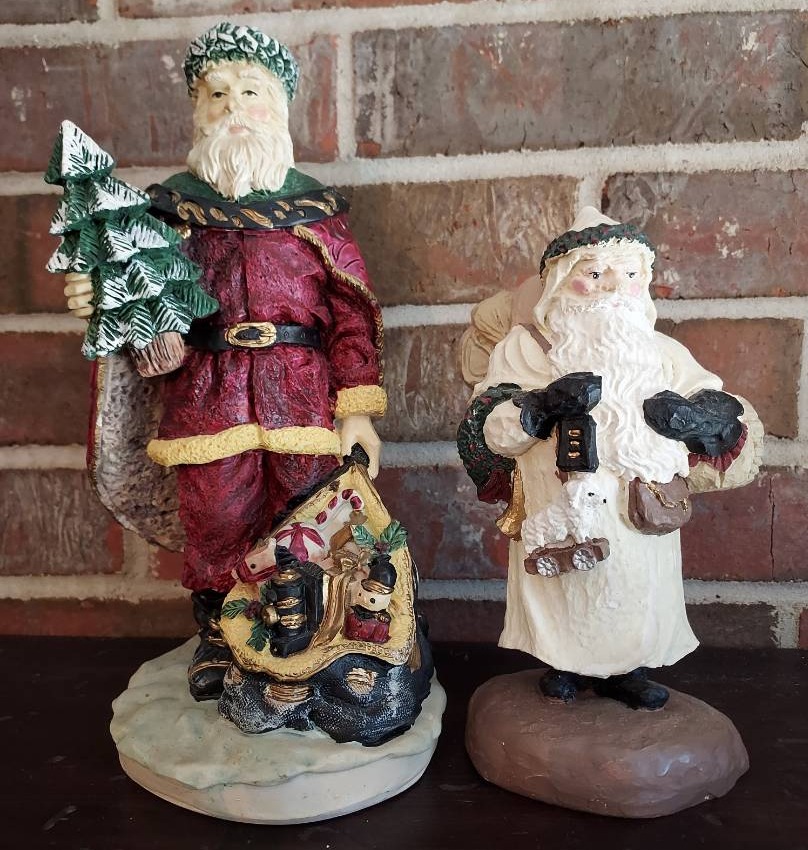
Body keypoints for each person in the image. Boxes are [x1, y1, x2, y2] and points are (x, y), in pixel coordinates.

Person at [63, 22, 386, 699]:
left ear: (280, 108)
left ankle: (302, 632)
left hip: (299, 393)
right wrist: (100, 296)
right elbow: (140, 291)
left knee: (305, 513)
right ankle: (220, 634)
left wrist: (356, 410)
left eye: (250, 92)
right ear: (197, 111)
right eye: (217, 95)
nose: (234, 108)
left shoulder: (314, 215)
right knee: (217, 515)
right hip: (208, 393)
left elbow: (352, 314)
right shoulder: (170, 215)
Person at [459, 207, 763, 710]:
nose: (614, 287)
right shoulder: (527, 349)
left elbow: (723, 408)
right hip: (559, 504)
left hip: (639, 509)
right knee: (563, 585)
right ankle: (562, 663)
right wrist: (542, 405)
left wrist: (693, 419)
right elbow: (489, 425)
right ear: (562, 282)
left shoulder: (659, 352)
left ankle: (630, 669)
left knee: (635, 587)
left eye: (629, 274)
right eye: (595, 273)